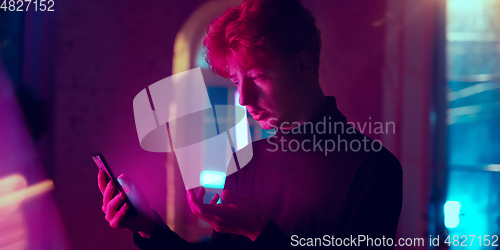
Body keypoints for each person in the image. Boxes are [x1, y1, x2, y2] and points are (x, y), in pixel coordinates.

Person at [97, 0, 403, 249]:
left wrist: (260, 232)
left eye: (256, 77)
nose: (242, 97)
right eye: (235, 81)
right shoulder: (247, 161)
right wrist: (148, 226)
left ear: (302, 65)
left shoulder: (373, 169)